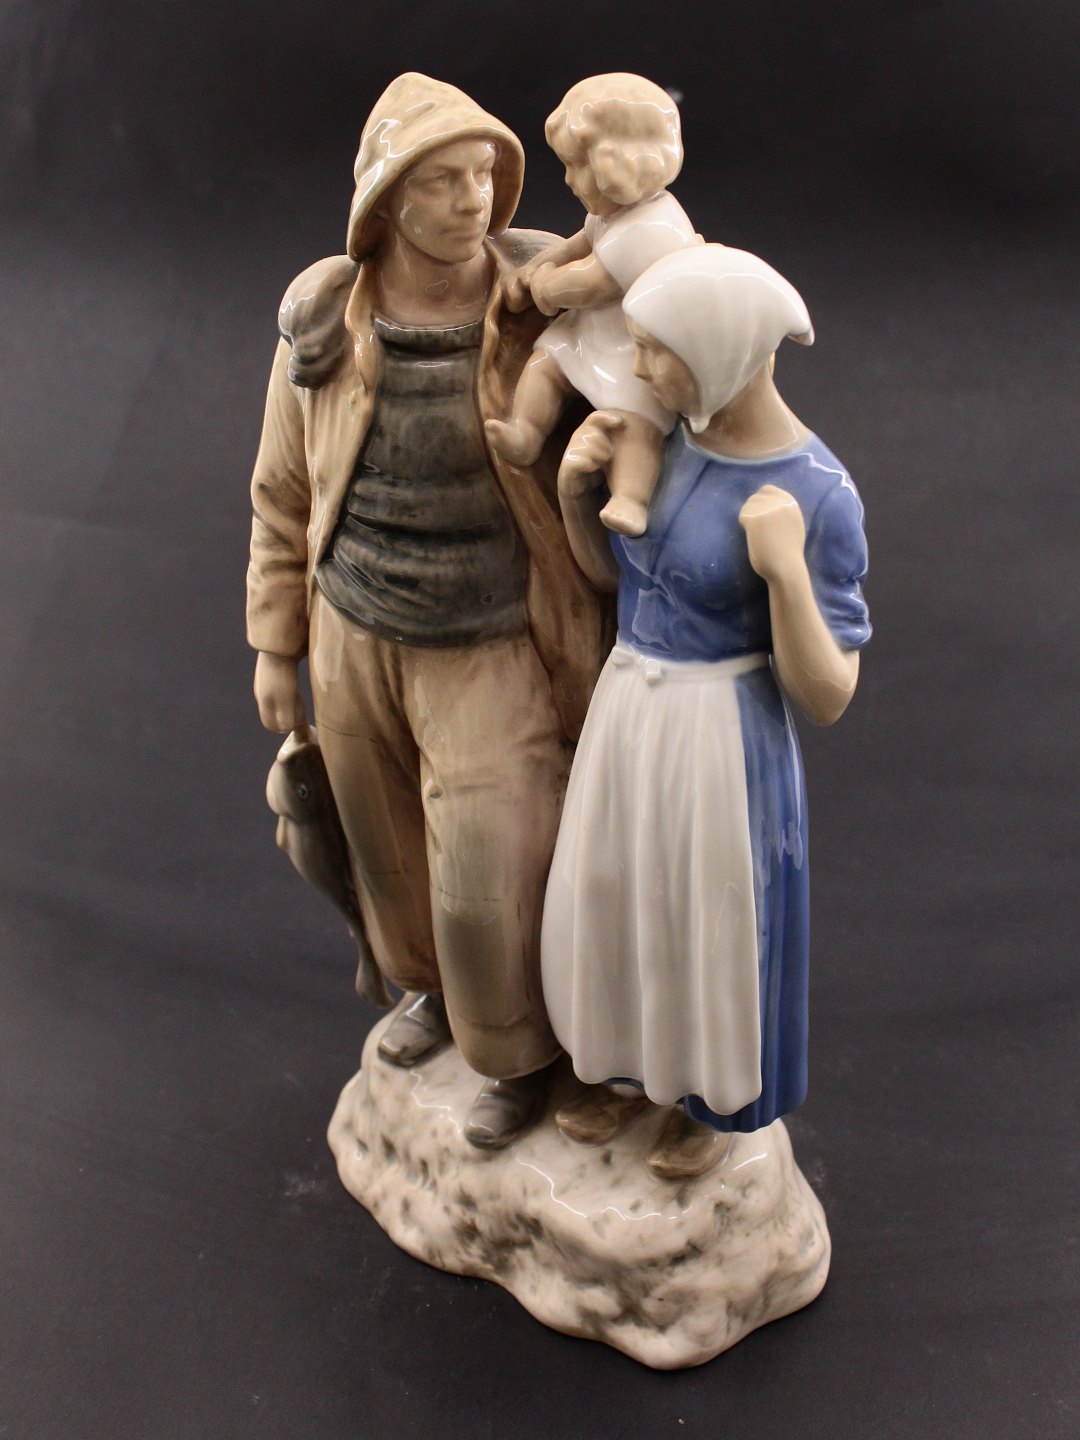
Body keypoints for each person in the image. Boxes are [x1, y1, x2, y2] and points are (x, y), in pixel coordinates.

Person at [247, 73, 611, 1149]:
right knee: (386, 846)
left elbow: (644, 399)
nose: (472, 198)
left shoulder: (542, 304)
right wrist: (275, 644)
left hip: (493, 639)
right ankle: (431, 997)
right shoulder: (326, 325)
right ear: (386, 199)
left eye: (484, 175)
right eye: (443, 180)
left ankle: (516, 1053)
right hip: (353, 630)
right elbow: (281, 492)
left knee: (488, 873)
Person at [541, 245, 871, 1180]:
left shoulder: (818, 493)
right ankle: (623, 1069)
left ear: (722, 352)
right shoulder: (669, 442)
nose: (639, 368)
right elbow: (623, 586)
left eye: (658, 350)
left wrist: (786, 573)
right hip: (630, 712)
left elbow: (829, 693)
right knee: (616, 894)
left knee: (706, 920)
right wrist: (575, 498)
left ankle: (710, 1101)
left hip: (718, 736)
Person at [485, 74, 699, 538]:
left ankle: (631, 499)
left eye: (576, 166)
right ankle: (525, 432)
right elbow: (576, 245)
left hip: (635, 350)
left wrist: (545, 288)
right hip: (593, 332)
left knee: (634, 423)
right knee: (545, 364)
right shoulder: (612, 213)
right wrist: (535, 266)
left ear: (617, 166)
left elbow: (590, 283)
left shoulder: (653, 227)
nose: (568, 179)